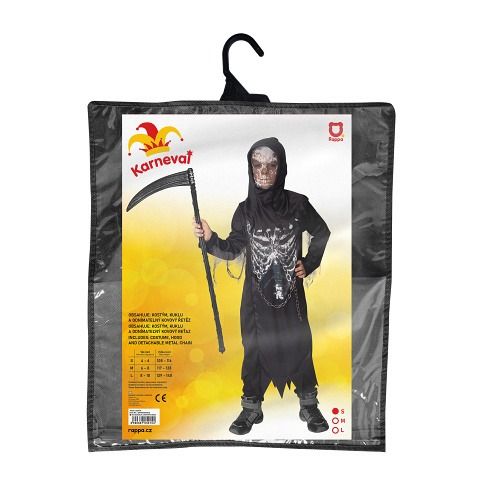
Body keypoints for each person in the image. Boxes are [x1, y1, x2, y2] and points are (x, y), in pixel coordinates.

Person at [192, 137, 331, 435]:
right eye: (257, 165)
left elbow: (322, 232)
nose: (264, 172)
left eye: (271, 165)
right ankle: (251, 408)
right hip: (256, 301)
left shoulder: (298, 204)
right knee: (254, 349)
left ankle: (309, 404)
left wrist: (309, 263)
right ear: (250, 168)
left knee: (299, 344)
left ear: (281, 168)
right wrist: (210, 238)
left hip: (292, 299)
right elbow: (233, 249)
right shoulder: (245, 211)